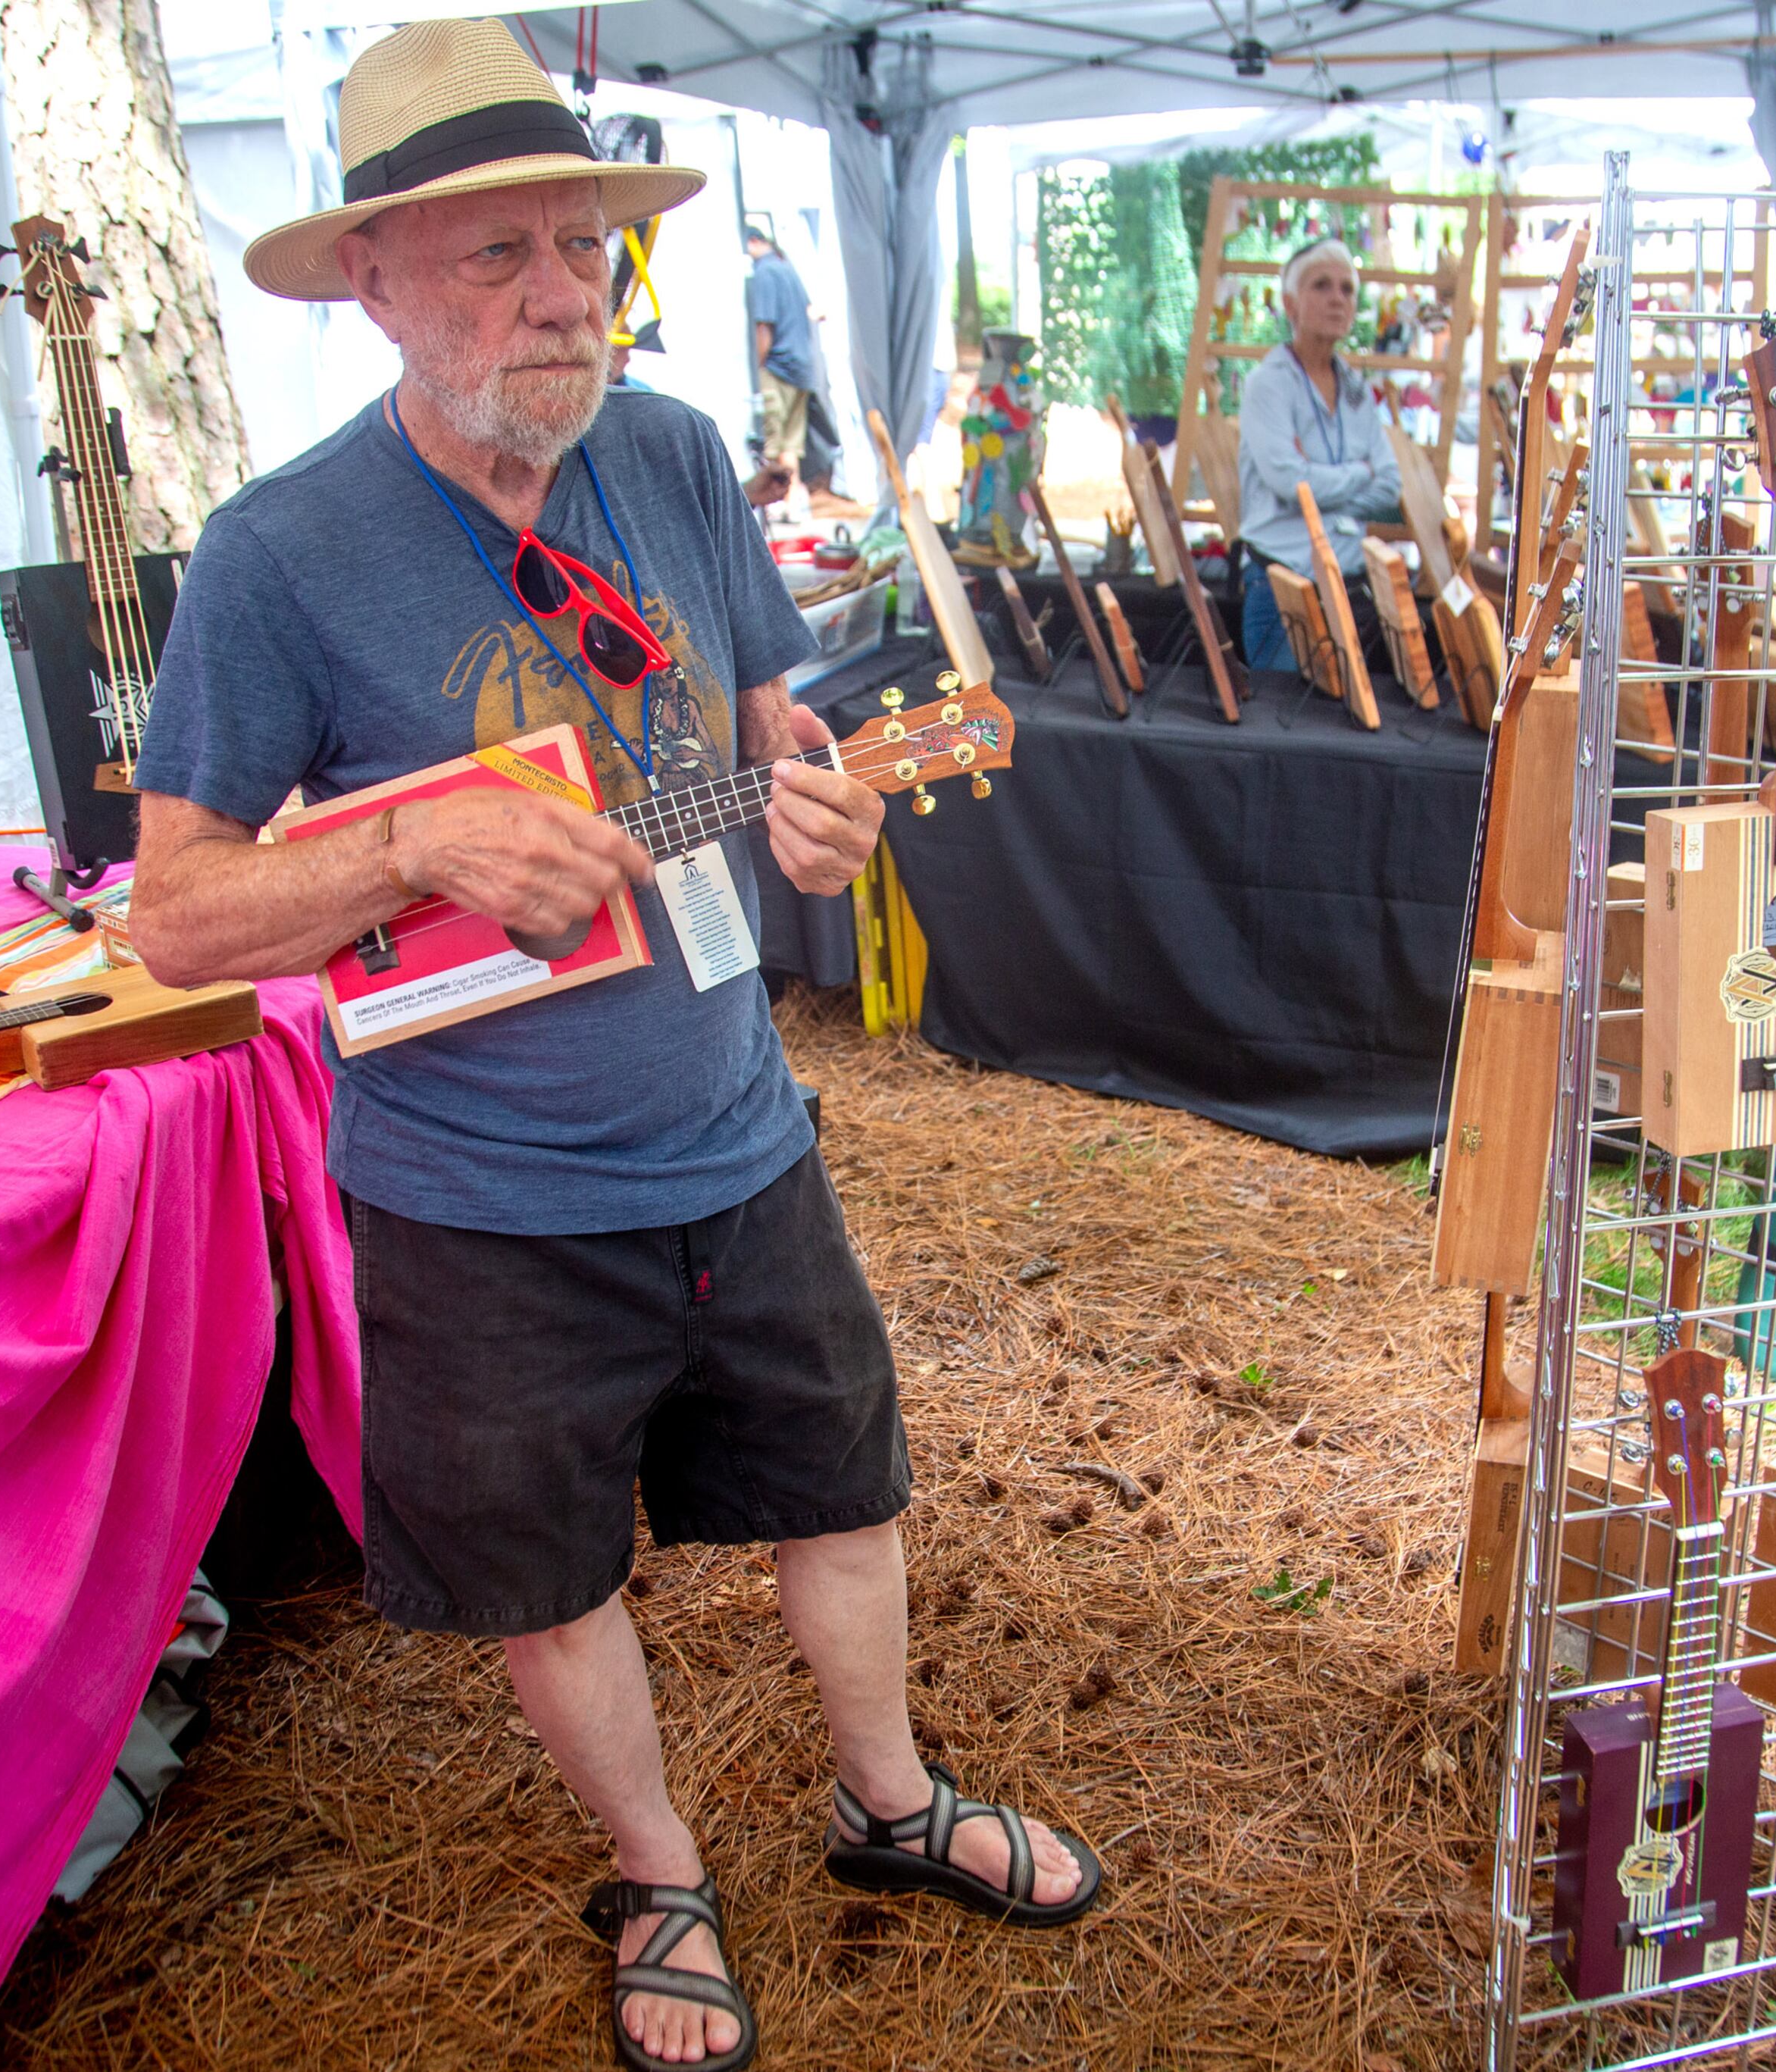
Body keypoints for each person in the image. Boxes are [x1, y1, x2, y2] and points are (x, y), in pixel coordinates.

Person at [124, 21, 1101, 2072]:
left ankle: (888, 1799)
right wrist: (411, 838)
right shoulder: (277, 555)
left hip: (736, 1121)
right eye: (496, 260)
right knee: (552, 1574)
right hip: (472, 1187)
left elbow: (764, 721)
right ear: (376, 282)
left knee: (844, 1486)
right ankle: (658, 1864)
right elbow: (180, 911)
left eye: (579, 246)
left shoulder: (663, 453)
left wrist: (819, 783)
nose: (562, 293)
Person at [1235, 239, 1405, 674]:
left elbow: (1389, 485)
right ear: (1291, 305)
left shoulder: (1354, 388)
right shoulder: (1267, 385)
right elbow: (1290, 486)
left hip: (1350, 590)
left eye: (1347, 290)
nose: (1337, 299)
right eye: (1322, 286)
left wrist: (1318, 483)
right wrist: (1357, 473)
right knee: (1290, 731)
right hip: (1284, 588)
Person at [743, 221, 818, 515]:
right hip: (802, 369)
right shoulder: (788, 269)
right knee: (791, 445)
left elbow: (765, 329)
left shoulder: (765, 273)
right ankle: (794, 504)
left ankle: (776, 504)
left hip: (778, 368)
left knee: (773, 445)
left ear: (753, 243)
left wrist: (757, 370)